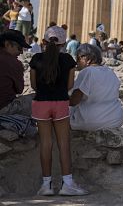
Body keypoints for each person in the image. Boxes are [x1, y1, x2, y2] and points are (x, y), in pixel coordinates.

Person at [29, 26, 88, 196]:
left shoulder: (36, 59)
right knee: (63, 144)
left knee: (46, 144)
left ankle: (46, 185)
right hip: (61, 102)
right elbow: (70, 86)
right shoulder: (68, 60)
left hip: (40, 103)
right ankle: (67, 183)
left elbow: (33, 85)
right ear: (63, 43)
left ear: (44, 42)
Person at [69, 44, 123, 131]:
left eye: (78, 58)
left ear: (87, 59)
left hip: (92, 121)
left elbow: (74, 101)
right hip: (116, 120)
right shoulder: (110, 72)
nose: (77, 62)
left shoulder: (87, 72)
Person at [0, 30, 31, 116]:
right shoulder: (13, 62)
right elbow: (19, 90)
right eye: (20, 48)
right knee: (39, 99)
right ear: (7, 44)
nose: (21, 52)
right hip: (4, 109)